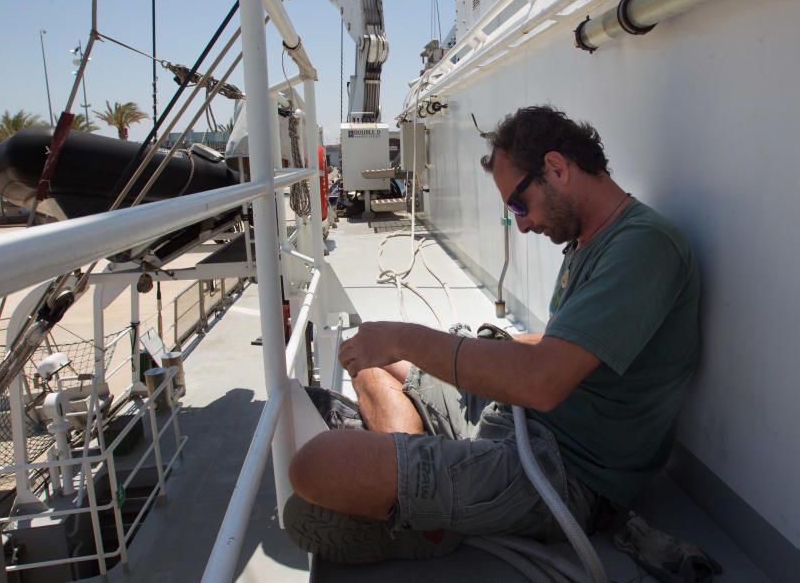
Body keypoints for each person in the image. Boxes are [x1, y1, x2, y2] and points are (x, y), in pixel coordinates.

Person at [284, 105, 701, 565]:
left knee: (316, 466)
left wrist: (409, 338)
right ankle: (418, 485)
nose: (521, 224)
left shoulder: (644, 247)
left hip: (564, 472)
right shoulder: (588, 242)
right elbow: (558, 349)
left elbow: (542, 382)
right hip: (519, 419)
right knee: (371, 362)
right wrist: (480, 348)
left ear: (557, 169)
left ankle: (414, 490)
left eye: (519, 205)